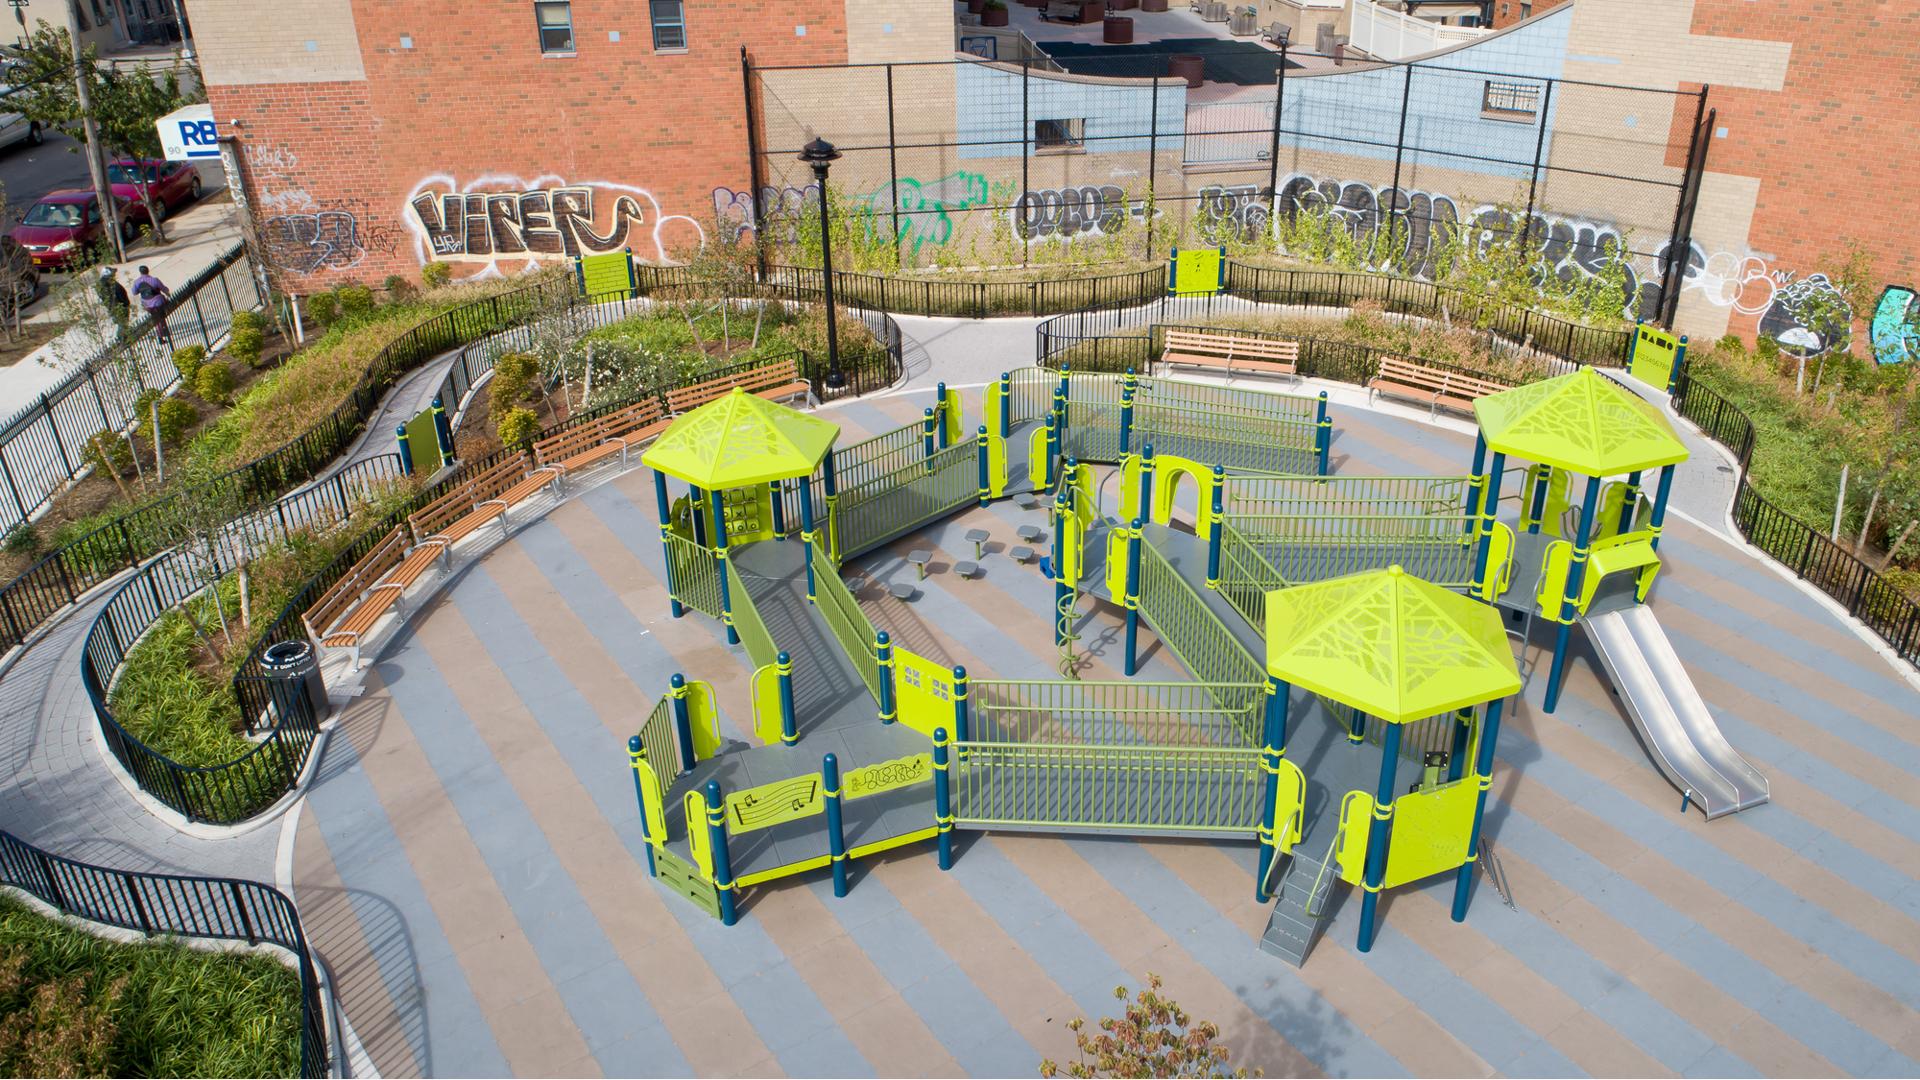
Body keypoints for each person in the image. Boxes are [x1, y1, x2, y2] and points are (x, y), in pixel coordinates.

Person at [131, 264, 172, 349]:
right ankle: (160, 336)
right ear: (148, 271)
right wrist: (168, 293)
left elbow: (134, 292)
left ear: (140, 272)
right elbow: (163, 288)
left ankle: (163, 330)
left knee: (158, 318)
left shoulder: (137, 282)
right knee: (159, 320)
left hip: (146, 304)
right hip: (157, 302)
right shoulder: (154, 280)